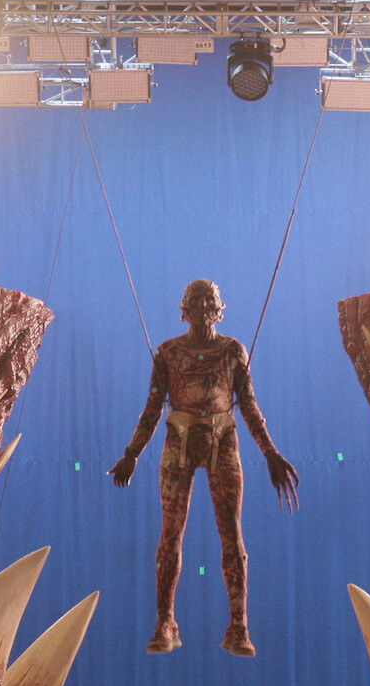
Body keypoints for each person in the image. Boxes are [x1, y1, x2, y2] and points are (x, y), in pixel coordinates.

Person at [111, 280, 299, 656]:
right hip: (178, 442)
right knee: (170, 534)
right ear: (184, 308)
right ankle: (165, 622)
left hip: (222, 440)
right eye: (195, 301)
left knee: (231, 534)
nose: (202, 307)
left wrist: (270, 452)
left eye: (208, 301)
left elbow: (248, 405)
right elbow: (152, 408)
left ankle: (239, 625)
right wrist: (132, 453)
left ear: (219, 307)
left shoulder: (232, 352)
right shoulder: (168, 353)